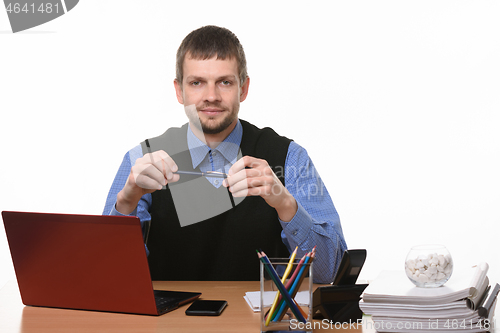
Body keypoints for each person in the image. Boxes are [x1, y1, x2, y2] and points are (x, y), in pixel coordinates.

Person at [103, 25, 347, 283]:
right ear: (179, 91)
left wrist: (285, 204)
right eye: (197, 83)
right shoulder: (141, 158)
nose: (211, 96)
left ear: (243, 88)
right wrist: (126, 203)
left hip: (259, 322)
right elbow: (108, 275)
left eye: (225, 82)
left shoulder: (289, 158)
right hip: (167, 323)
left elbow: (329, 272)